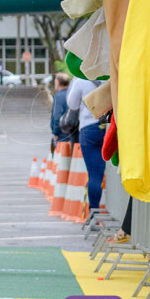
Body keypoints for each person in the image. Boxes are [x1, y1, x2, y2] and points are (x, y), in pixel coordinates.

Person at [67, 77, 105, 214]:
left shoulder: (80, 79)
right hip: (108, 128)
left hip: (88, 127)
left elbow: (72, 105)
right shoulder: (108, 76)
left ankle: (94, 212)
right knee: (103, 172)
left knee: (94, 175)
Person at [49, 72, 73, 153]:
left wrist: (55, 132)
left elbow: (57, 117)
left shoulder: (58, 96)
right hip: (73, 131)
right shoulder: (72, 93)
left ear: (58, 82)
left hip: (62, 134)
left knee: (61, 158)